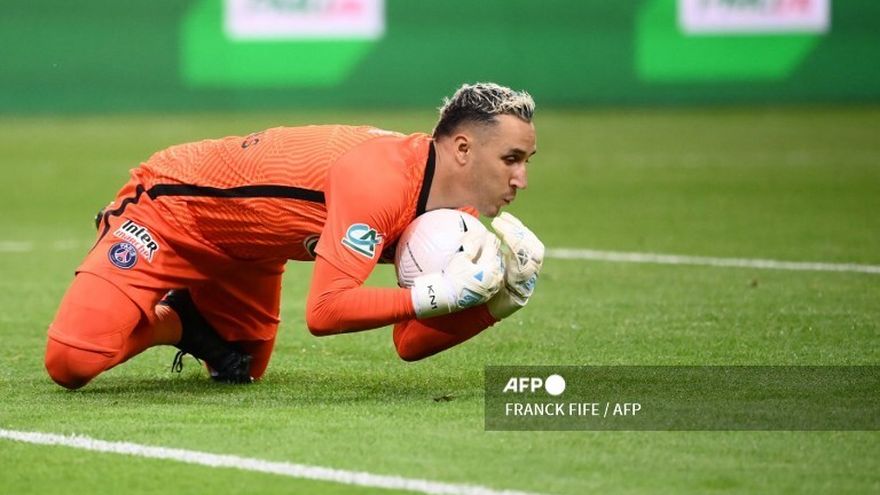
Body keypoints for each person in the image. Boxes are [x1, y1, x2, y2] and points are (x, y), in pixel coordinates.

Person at [44, 82, 545, 389]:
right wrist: (438, 293)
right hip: (173, 209)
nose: (521, 179)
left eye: (526, 161)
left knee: (241, 363)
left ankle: (185, 323)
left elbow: (408, 341)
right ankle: (147, 298)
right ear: (462, 149)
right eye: (511, 159)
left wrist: (496, 304)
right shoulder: (383, 181)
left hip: (252, 248)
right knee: (72, 362)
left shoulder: (453, 218)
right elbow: (325, 312)